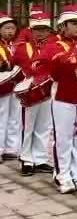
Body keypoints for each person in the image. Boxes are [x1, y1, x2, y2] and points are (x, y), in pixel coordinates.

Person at [36, 5, 77, 194]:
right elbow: (45, 68)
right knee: (64, 138)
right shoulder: (54, 45)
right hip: (62, 98)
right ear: (63, 26)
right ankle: (62, 175)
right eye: (74, 23)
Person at [13, 12, 55, 176]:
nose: (40, 33)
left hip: (47, 91)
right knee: (27, 126)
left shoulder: (54, 47)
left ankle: (40, 158)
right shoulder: (23, 48)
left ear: (49, 30)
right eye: (37, 29)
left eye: (44, 29)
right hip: (29, 93)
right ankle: (26, 159)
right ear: (30, 30)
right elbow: (16, 66)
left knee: (44, 126)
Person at [0, 13, 21, 163]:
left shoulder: (15, 45)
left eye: (12, 28)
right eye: (7, 28)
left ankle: (11, 148)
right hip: (2, 86)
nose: (10, 31)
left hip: (15, 86)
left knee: (15, 117)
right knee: (1, 118)